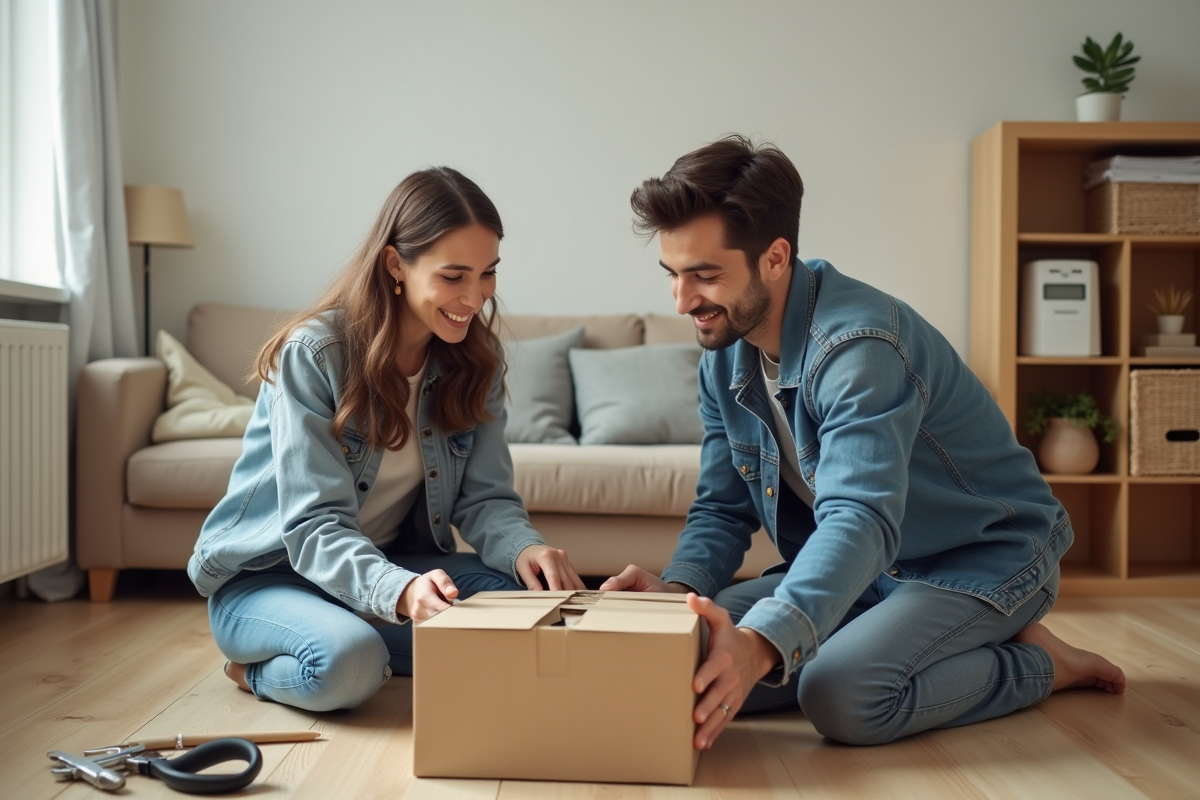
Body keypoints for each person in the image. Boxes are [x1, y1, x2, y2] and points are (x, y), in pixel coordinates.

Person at [601, 136, 1125, 750]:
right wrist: (677, 590)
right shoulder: (723, 355)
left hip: (979, 559)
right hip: (868, 572)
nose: (682, 301)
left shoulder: (859, 349)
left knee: (841, 694)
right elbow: (722, 506)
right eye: (673, 275)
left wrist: (763, 643)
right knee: (686, 662)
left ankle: (1042, 663)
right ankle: (913, 638)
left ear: (775, 257)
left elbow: (860, 517)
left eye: (706, 275)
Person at [188, 167, 584, 712]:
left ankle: (366, 632)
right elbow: (312, 525)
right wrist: (396, 591)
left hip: (391, 565)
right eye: (454, 276)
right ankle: (260, 667)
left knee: (537, 619)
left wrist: (526, 549)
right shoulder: (315, 353)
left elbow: (487, 498)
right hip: (273, 576)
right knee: (350, 664)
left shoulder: (477, 361)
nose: (475, 297)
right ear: (396, 264)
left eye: (488, 273)